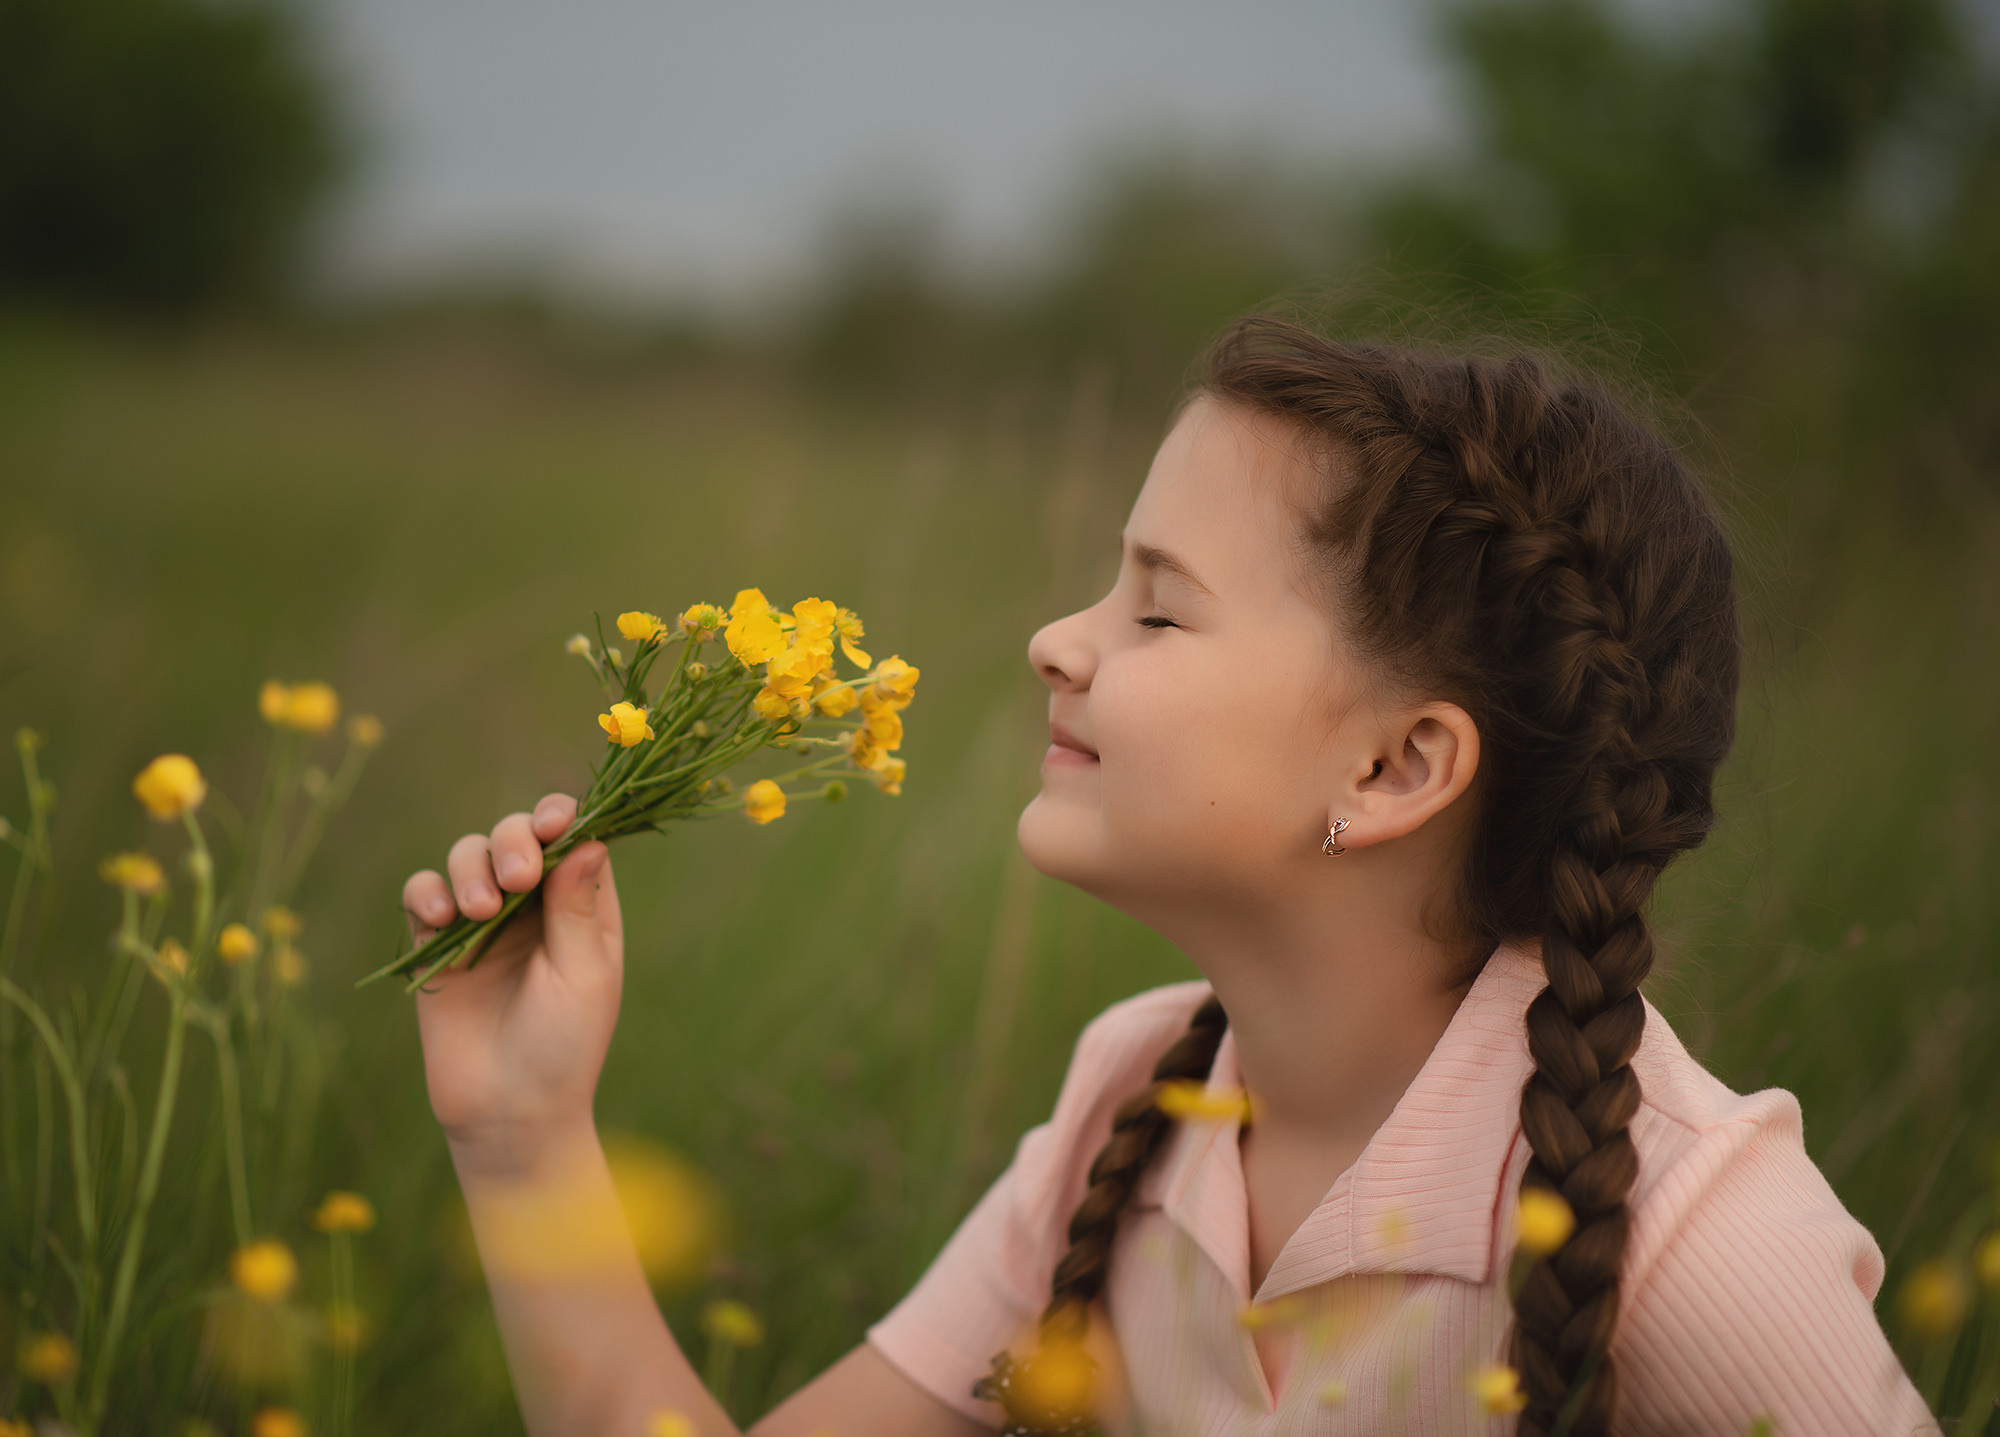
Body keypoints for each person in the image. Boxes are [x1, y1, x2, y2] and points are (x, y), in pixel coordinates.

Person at [402, 315, 1938, 1437]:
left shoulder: (1695, 1237)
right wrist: (521, 1127)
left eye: (1157, 611)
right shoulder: (1128, 1104)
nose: (1055, 640)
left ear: (1396, 769)